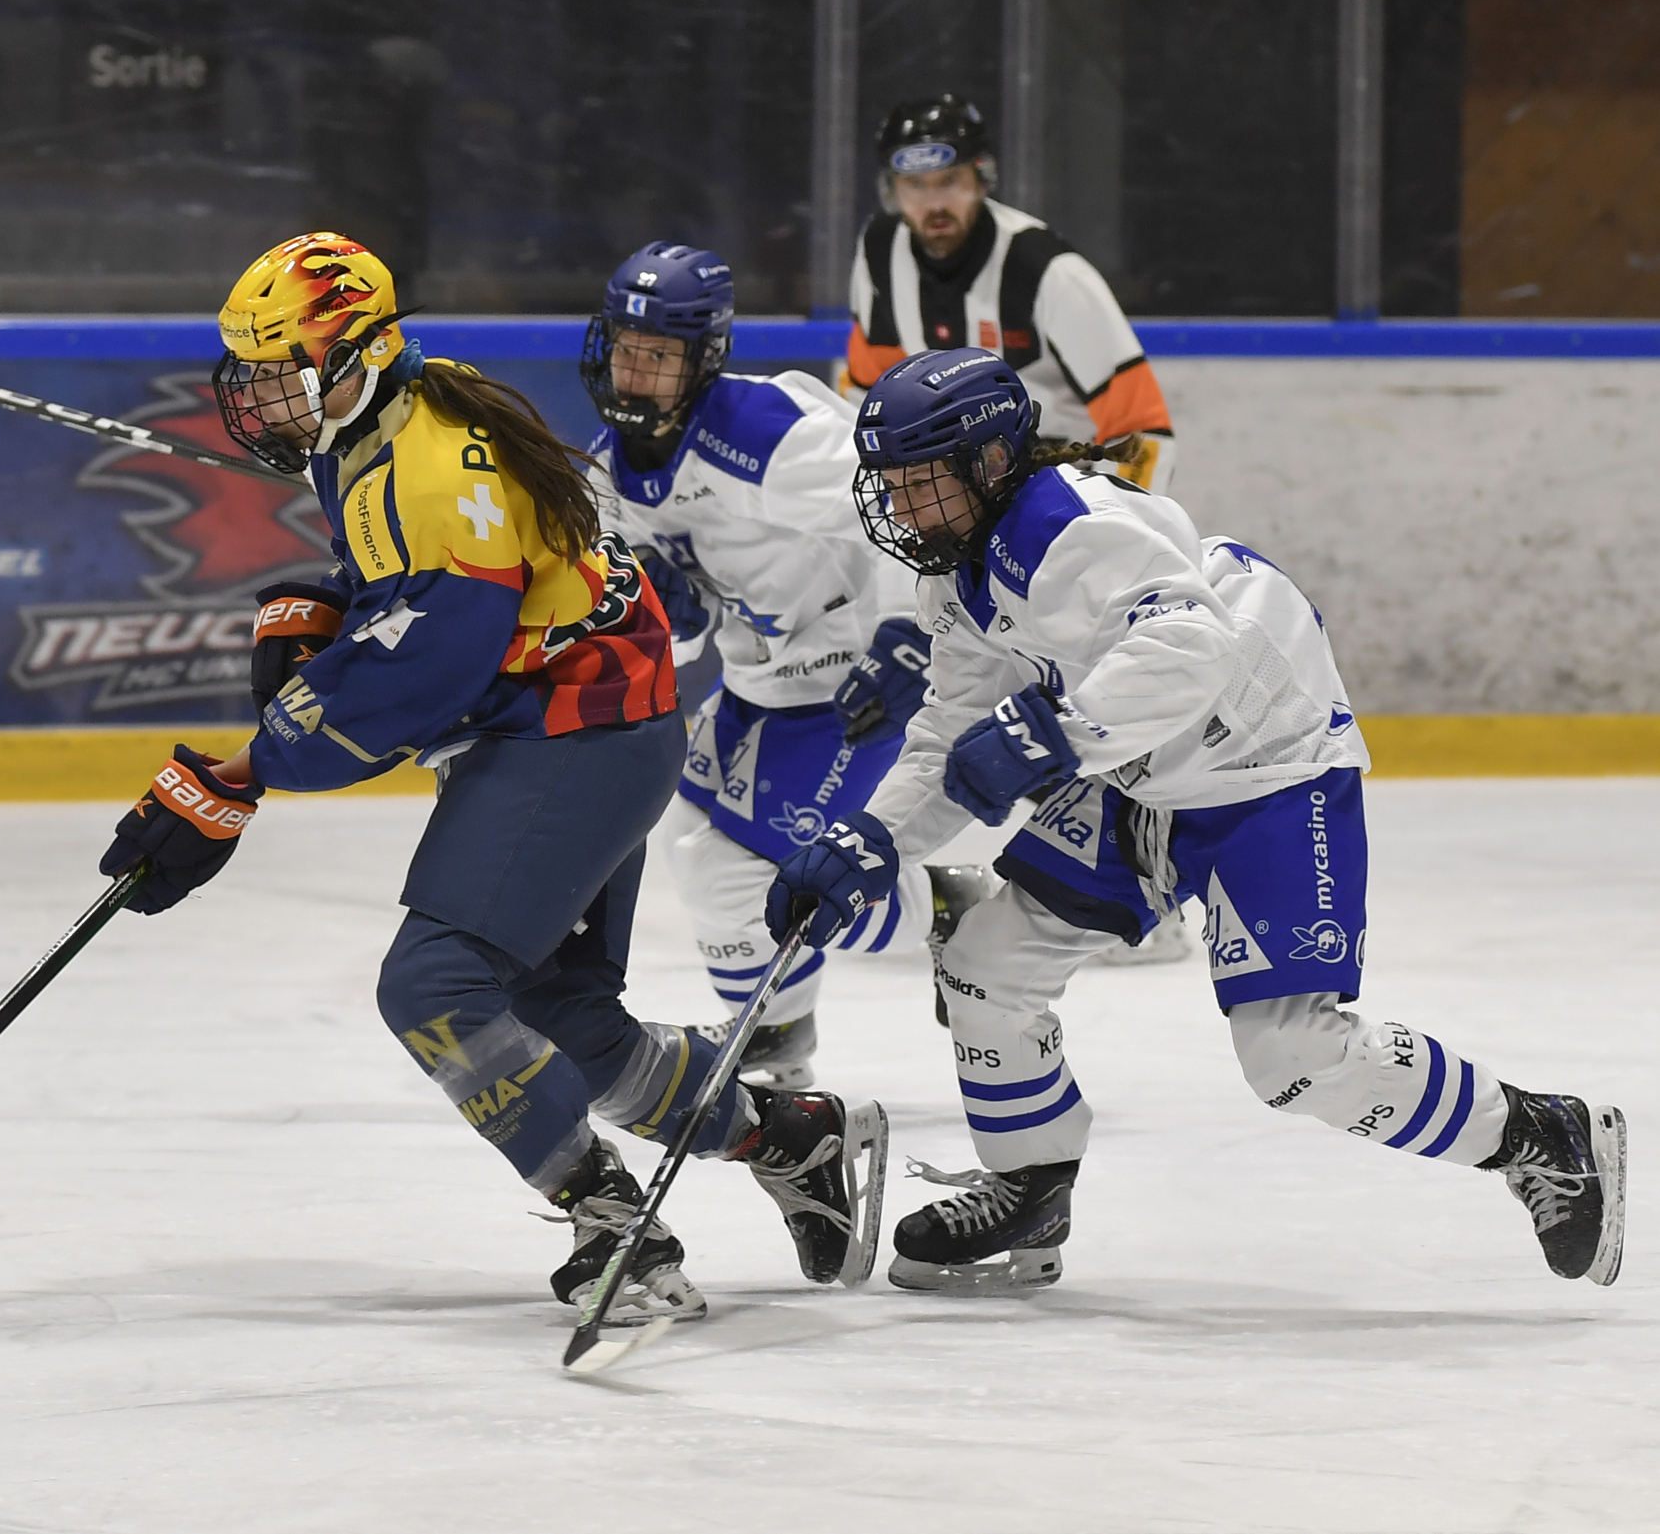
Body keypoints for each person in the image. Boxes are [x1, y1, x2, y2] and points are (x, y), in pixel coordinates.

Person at [99, 232, 890, 1326]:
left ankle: (607, 1213)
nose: (261, 400)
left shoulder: (423, 462)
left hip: (577, 730)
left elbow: (431, 662)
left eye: (283, 372)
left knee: (430, 984)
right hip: (593, 715)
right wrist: (331, 606)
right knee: (563, 1018)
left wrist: (237, 774)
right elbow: (426, 591)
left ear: (356, 354)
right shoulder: (384, 412)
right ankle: (786, 1135)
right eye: (254, 375)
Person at [766, 348, 1627, 1294]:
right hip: (1134, 771)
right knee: (984, 961)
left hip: (1264, 763)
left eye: (920, 484)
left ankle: (1543, 1137)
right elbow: (943, 739)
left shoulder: (1073, 526)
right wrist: (871, 837)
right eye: (888, 485)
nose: (901, 510)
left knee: (1292, 1056)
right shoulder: (957, 578)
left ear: (990, 463)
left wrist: (1052, 730)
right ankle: (1029, 1189)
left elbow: (1194, 645)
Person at [577, 239, 980, 1085]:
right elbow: (660, 620)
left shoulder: (770, 439)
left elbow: (906, 510)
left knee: (779, 868)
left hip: (857, 675)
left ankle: (933, 928)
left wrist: (911, 634)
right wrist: (667, 616)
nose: (636, 371)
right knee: (692, 843)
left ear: (705, 359)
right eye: (626, 348)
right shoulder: (608, 474)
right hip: (762, 683)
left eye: (661, 355)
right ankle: (798, 1015)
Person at [844, 94, 1178, 497]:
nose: (934, 204)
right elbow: (868, 396)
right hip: (949, 500)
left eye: (949, 180)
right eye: (915, 185)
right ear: (891, 190)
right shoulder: (879, 252)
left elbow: (1143, 429)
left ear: (981, 177)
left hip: (1063, 497)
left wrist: (1126, 533)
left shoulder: (1047, 272)